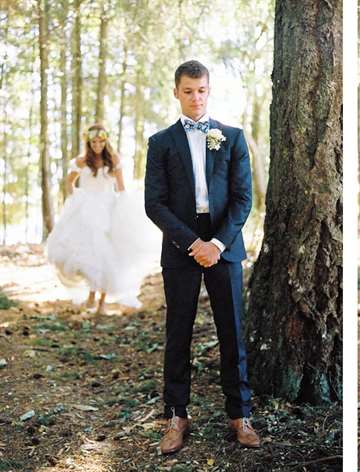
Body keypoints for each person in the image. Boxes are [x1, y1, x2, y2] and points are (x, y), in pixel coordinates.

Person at [144, 60, 260, 455]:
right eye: (189, 91)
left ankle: (240, 414)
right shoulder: (160, 143)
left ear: (210, 91)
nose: (196, 98)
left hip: (224, 247)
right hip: (180, 248)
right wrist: (193, 243)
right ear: (176, 91)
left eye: (202, 90)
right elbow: (154, 204)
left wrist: (218, 245)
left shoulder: (233, 137)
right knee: (178, 333)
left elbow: (244, 199)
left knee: (233, 332)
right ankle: (177, 415)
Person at [46, 123, 159, 314]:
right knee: (91, 252)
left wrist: (126, 206)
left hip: (108, 207)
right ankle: (91, 293)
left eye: (100, 141)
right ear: (88, 143)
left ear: (106, 141)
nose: (97, 145)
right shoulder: (81, 161)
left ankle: (102, 302)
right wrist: (76, 197)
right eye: (93, 142)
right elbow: (69, 181)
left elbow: (121, 187)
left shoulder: (113, 160)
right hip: (87, 207)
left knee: (109, 253)